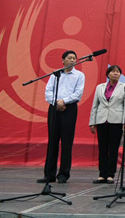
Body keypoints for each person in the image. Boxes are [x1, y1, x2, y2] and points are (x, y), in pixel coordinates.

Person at [37, 50, 85, 184]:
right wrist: (56, 102)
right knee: (52, 141)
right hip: (54, 108)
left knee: (66, 142)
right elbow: (48, 91)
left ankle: (63, 174)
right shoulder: (56, 74)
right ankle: (49, 174)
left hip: (69, 108)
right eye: (69, 58)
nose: (72, 60)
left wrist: (64, 101)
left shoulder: (79, 75)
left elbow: (78, 93)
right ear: (63, 60)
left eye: (74, 58)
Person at [89, 65, 125, 184]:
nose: (115, 74)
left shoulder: (124, 87)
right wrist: (92, 122)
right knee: (102, 148)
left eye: (118, 72)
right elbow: (95, 105)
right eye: (113, 71)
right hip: (102, 120)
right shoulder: (100, 87)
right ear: (108, 74)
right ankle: (102, 174)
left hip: (116, 120)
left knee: (113, 148)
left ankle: (111, 174)